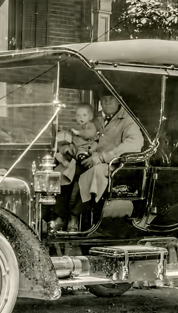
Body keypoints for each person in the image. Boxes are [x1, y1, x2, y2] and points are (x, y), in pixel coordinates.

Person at [53, 93, 144, 232]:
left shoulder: (128, 121)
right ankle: (60, 215)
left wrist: (103, 157)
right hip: (88, 157)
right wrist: (67, 147)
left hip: (112, 164)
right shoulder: (95, 118)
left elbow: (134, 144)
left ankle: (75, 215)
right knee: (62, 171)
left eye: (111, 97)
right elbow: (78, 135)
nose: (107, 101)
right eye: (104, 98)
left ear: (119, 100)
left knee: (93, 173)